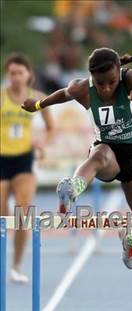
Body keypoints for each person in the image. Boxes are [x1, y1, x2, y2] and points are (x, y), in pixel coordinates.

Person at [21, 48, 132, 269]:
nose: (106, 88)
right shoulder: (82, 88)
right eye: (100, 83)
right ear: (92, 78)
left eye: (111, 82)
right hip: (108, 151)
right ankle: (72, 189)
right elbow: (63, 93)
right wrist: (39, 105)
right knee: (99, 154)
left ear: (119, 72)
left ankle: (130, 239)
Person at [1, 53, 55, 282]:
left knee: (23, 214)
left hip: (24, 159)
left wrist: (42, 143)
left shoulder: (37, 98)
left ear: (29, 75)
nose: (15, 77)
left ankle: (16, 266)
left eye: (19, 73)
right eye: (11, 73)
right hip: (1, 160)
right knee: (3, 217)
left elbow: (51, 128)